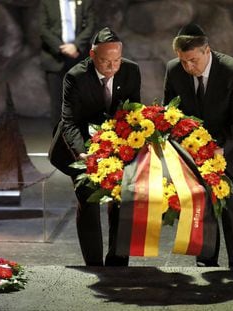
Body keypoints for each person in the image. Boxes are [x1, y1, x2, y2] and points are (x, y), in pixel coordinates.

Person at [164, 23, 233, 268]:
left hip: (232, 149)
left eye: (193, 60)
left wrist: (219, 149)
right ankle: (205, 264)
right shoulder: (174, 70)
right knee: (201, 209)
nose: (188, 67)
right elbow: (170, 114)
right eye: (183, 61)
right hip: (194, 152)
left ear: (207, 50)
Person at [49, 27, 141, 266]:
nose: (112, 67)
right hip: (79, 145)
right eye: (105, 61)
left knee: (121, 199)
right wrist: (84, 155)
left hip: (116, 144)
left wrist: (125, 149)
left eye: (116, 61)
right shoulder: (75, 76)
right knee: (88, 199)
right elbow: (69, 122)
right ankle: (94, 264)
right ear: (92, 55)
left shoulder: (131, 71)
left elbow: (133, 114)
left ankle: (118, 262)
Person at [39, 0, 96, 127]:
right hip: (54, 59)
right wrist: (60, 47)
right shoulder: (47, 3)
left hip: (79, 58)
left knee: (80, 103)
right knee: (57, 105)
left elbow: (91, 25)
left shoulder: (85, 2)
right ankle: (59, 143)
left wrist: (76, 46)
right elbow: (43, 29)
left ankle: (78, 142)